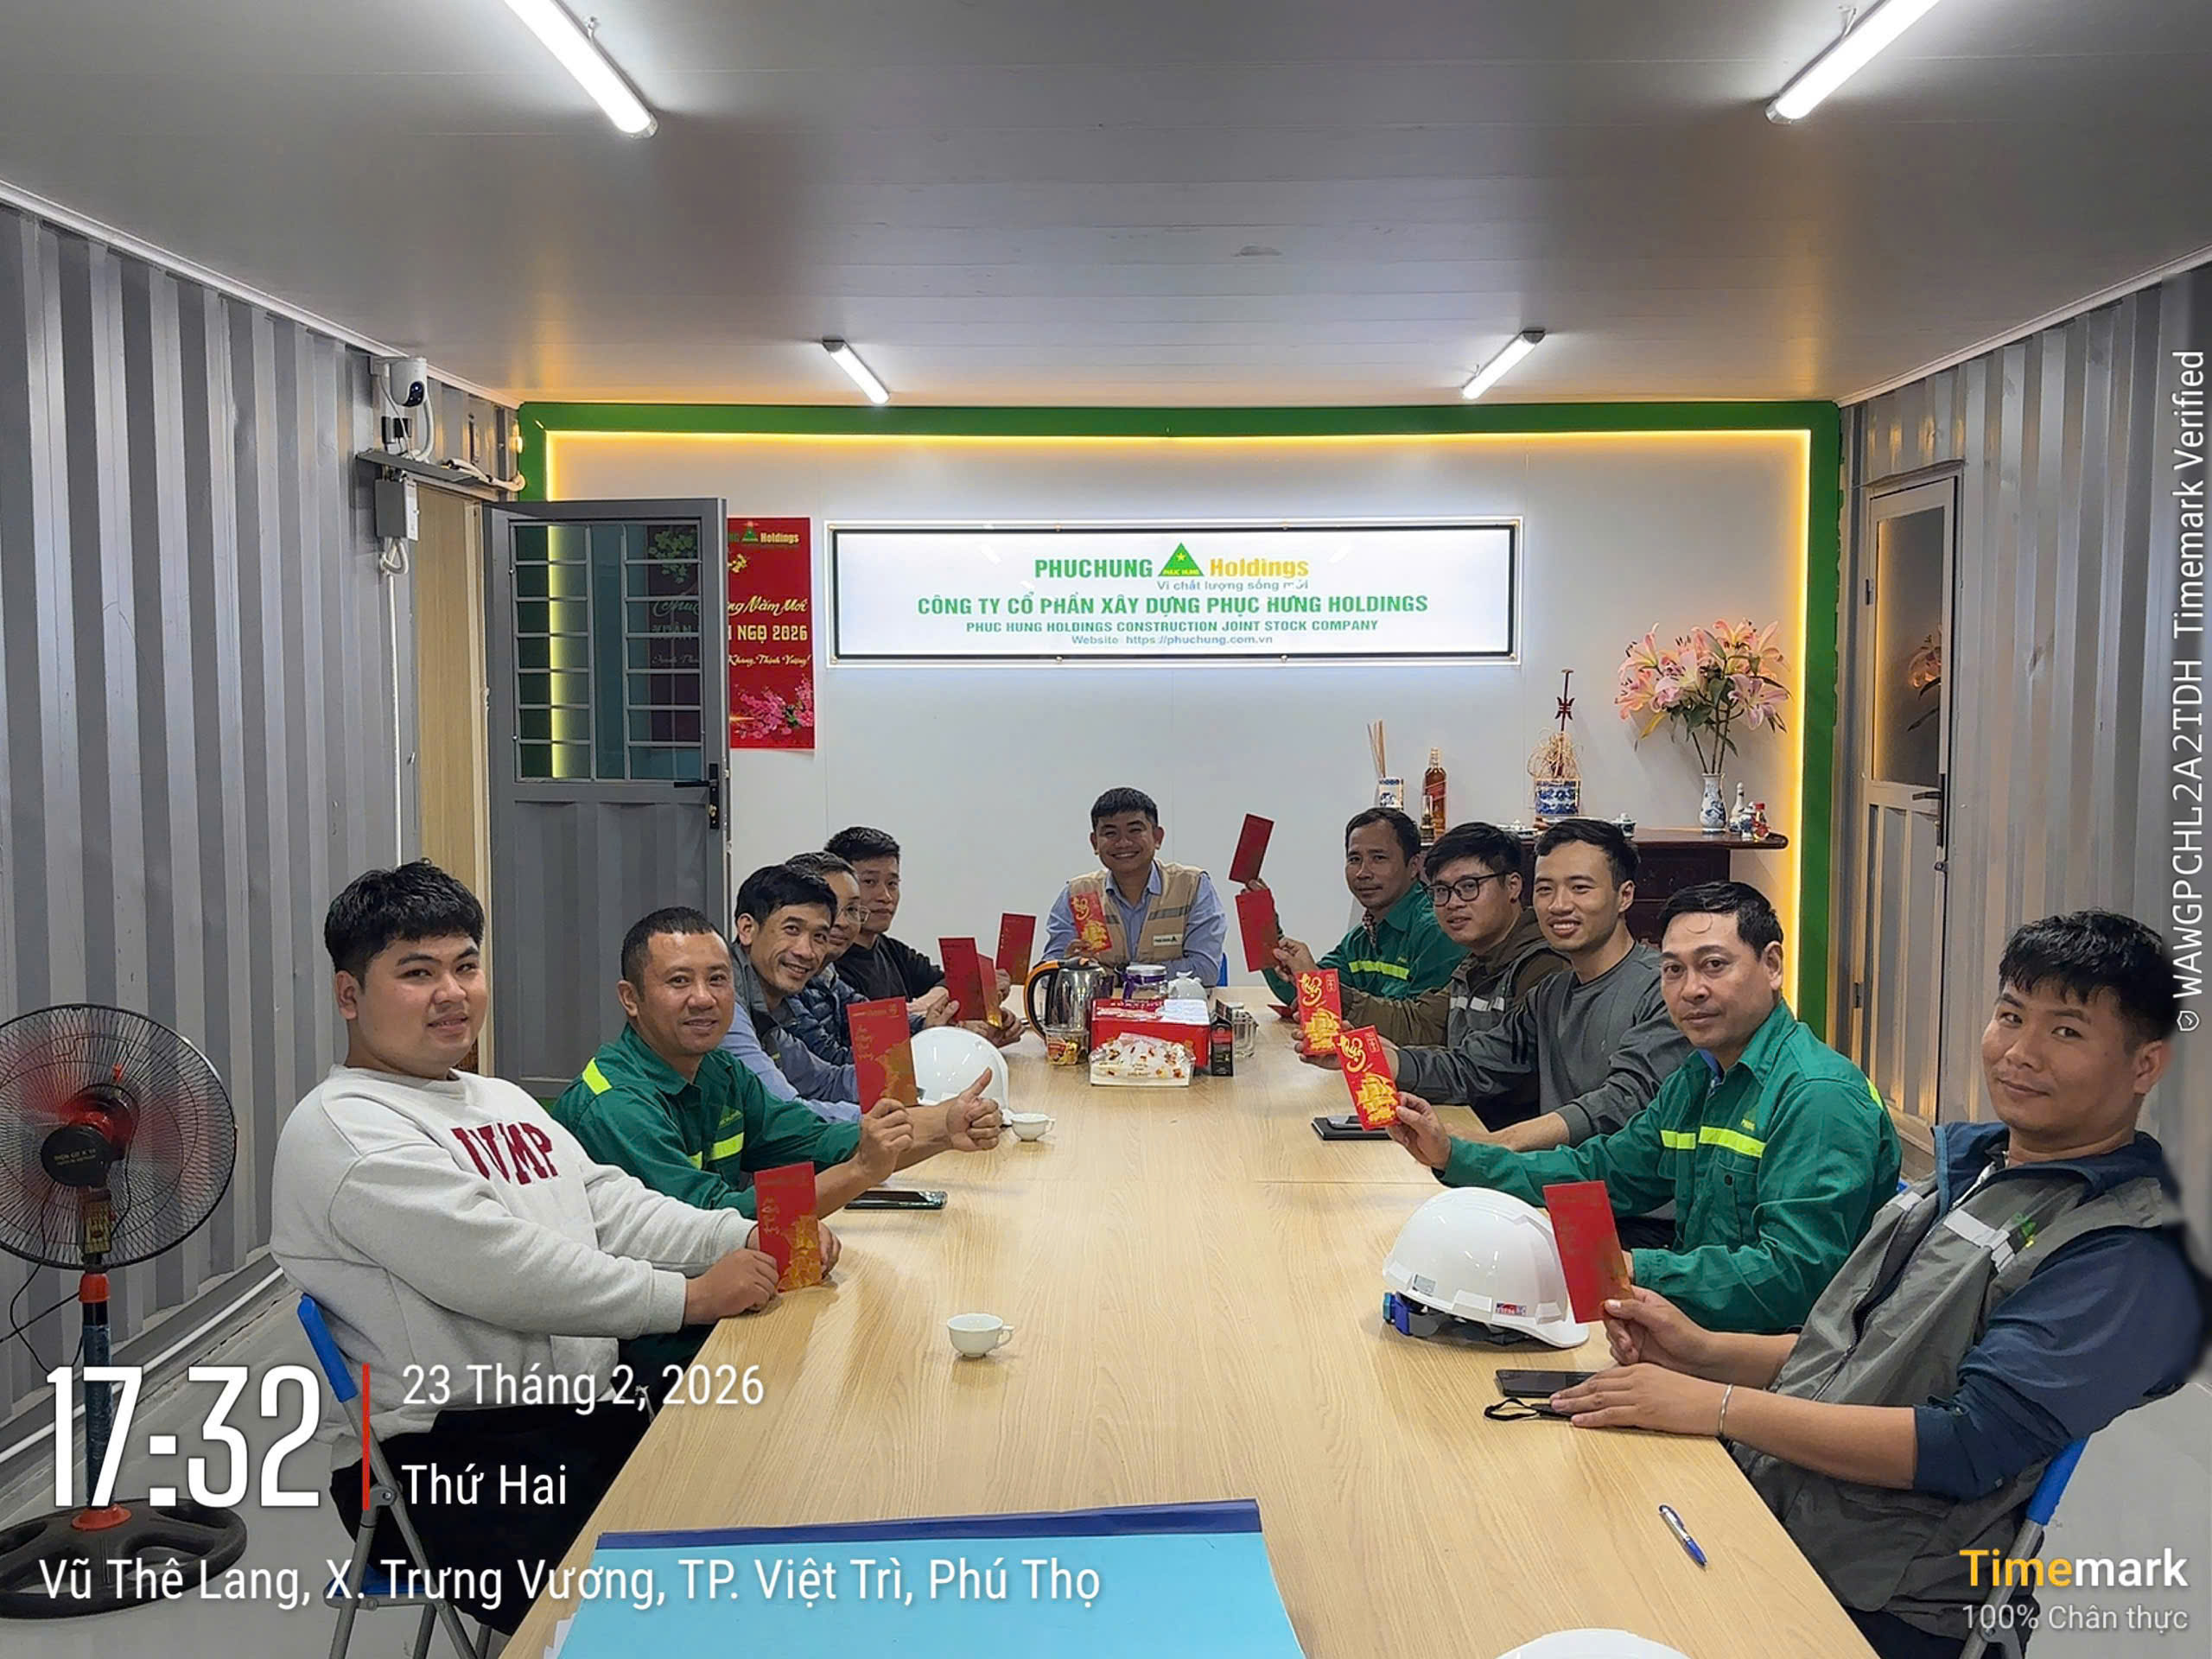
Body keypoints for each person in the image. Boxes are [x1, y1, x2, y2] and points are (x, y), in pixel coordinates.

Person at [1548, 912, 2206, 1659]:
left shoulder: (2122, 1252)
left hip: (1884, 1604)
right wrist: (1702, 1352)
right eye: (2010, 1016)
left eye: (2066, 1032)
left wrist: (1720, 1406)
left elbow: (1964, 1445)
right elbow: (1865, 1351)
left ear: (2145, 1066)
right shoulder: (1974, 1172)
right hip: (1783, 1512)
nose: (2021, 1052)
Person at [270, 861, 798, 1635]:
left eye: (466, 966)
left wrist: (743, 1234)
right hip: (452, 1460)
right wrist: (686, 1297)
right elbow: (502, 1270)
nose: (452, 993)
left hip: (578, 1414)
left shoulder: (498, 1098)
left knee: (772, 1488)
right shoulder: (345, 1130)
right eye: (417, 973)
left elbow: (608, 1206)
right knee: (687, 1609)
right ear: (349, 995)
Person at [1390, 882, 1899, 1331]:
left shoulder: (1819, 1095)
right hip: (1690, 1330)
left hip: (1782, 1366)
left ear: (1772, 966)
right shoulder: (1700, 1078)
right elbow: (1601, 1172)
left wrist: (1633, 1269)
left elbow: (1794, 1277)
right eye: (1674, 970)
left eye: (1714, 965)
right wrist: (1453, 1156)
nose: (1691, 990)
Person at [552, 905, 1001, 1375]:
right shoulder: (615, 1104)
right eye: (679, 981)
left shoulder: (719, 1070)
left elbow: (817, 1141)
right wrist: (858, 1173)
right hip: (651, 1348)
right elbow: (707, 1226)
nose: (703, 998)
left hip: (732, 1305)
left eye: (718, 980)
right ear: (631, 998)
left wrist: (945, 1128)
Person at [1388, 817, 1693, 1158]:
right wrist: (1391, 1061)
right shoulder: (1551, 994)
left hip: (1627, 1189)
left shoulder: (1663, 989)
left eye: (1580, 888)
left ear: (1625, 896)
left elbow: (1624, 1100)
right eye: (1546, 889)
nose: (1559, 905)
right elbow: (1475, 1066)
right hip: (1557, 1179)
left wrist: (1503, 1141)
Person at [1395, 821, 1569, 1107]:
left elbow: (1492, 1068)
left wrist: (1397, 1062)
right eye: (1441, 890)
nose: (1452, 903)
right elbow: (1421, 1022)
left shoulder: (1544, 965)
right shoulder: (1476, 961)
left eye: (1468, 886)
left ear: (1513, 886)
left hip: (1514, 1131)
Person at [1257, 807, 1465, 1042]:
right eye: (1354, 859)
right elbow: (1298, 994)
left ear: (1414, 865)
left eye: (1379, 858)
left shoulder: (1436, 929)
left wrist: (1317, 983)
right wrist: (1262, 924)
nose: (1363, 873)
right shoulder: (1361, 938)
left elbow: (1420, 1032)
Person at [825, 824, 1018, 1044]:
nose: (885, 896)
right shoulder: (829, 965)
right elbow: (868, 1038)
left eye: (892, 884)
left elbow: (949, 981)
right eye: (870, 882)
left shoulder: (891, 949)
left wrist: (932, 1005)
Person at [1042, 785, 1227, 986]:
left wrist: (1119, 975)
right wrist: (1067, 967)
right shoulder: (1078, 895)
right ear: (1095, 843)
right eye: (1110, 833)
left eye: (1135, 830)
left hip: (1171, 1005)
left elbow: (1205, 970)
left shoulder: (1192, 885)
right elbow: (1046, 975)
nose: (1123, 842)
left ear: (1157, 837)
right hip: (1100, 1006)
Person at [779, 850, 949, 1067]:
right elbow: (831, 1064)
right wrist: (921, 1048)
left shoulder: (827, 973)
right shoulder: (784, 979)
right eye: (830, 908)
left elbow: (870, 1019)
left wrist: (929, 1024)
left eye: (852, 909)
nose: (842, 922)